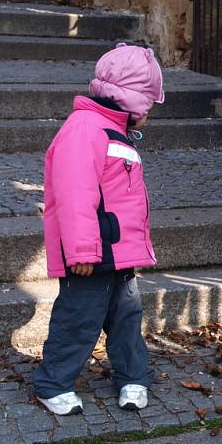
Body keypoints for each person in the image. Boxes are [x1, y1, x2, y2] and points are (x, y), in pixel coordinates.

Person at [33, 43, 165, 415]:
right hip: (91, 255)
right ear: (131, 100)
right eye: (149, 105)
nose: (150, 114)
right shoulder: (86, 129)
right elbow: (76, 194)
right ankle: (52, 382)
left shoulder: (113, 130)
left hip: (118, 251)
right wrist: (83, 250)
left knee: (126, 317)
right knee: (79, 317)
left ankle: (133, 376)